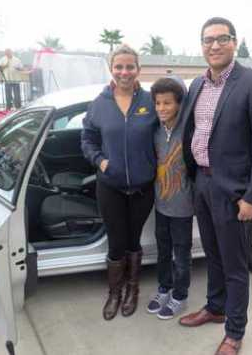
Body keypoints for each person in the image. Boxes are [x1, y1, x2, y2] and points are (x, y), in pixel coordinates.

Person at [179, 17, 252, 355]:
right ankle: (215, 307)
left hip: (233, 191)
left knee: (235, 265)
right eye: (208, 40)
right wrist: (192, 180)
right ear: (202, 46)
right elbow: (191, 132)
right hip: (202, 184)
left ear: (234, 42)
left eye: (222, 39)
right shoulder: (197, 85)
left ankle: (234, 332)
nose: (215, 45)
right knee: (212, 255)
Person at [81, 44, 158, 321]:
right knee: (116, 242)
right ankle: (115, 292)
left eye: (130, 67)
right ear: (111, 69)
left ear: (138, 69)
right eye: (119, 67)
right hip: (110, 186)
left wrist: (156, 165)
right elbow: (87, 138)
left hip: (142, 187)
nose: (124, 72)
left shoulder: (150, 102)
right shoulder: (99, 104)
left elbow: (166, 134)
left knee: (133, 240)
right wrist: (100, 161)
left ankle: (133, 289)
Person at [146, 77, 194, 320]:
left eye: (167, 103)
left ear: (179, 104)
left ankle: (180, 296)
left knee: (181, 254)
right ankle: (164, 288)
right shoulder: (155, 131)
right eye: (158, 103)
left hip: (183, 207)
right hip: (161, 204)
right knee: (163, 251)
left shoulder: (187, 131)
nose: (162, 108)